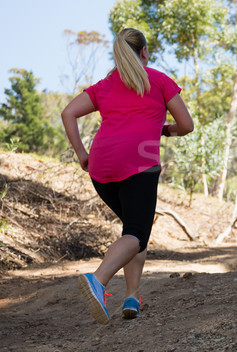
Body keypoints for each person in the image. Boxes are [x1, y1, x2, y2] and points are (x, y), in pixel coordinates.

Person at [61, 28, 194, 324]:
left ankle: (133, 295)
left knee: (133, 231)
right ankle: (98, 280)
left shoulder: (106, 84)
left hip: (101, 166)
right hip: (139, 163)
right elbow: (186, 124)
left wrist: (82, 155)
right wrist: (166, 130)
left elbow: (67, 113)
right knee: (137, 233)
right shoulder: (157, 80)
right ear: (144, 51)